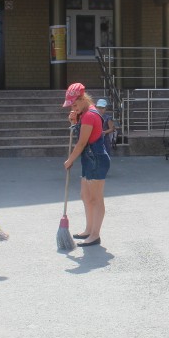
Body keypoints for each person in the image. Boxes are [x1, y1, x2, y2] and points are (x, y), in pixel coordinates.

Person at [63, 82, 110, 247]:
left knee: (96, 199)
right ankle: (89, 230)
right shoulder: (84, 114)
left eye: (75, 104)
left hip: (96, 159)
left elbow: (82, 143)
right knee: (86, 196)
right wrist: (74, 121)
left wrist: (70, 160)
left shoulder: (90, 115)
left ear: (82, 99)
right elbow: (80, 135)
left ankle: (95, 235)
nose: (73, 107)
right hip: (89, 159)